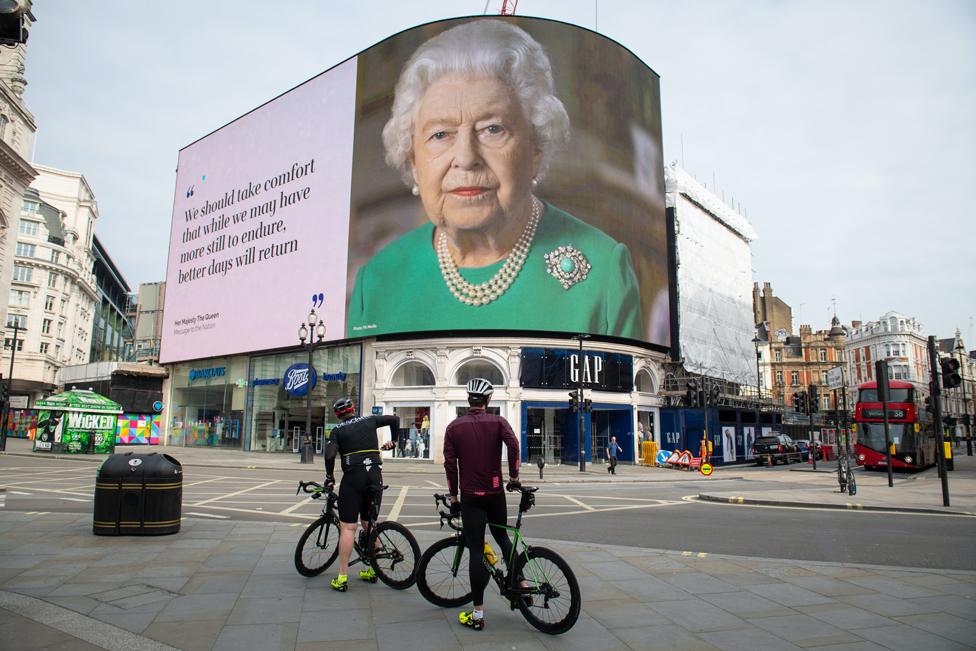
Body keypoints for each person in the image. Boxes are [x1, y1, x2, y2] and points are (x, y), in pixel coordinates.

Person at [347, 19, 643, 341]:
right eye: (440, 134)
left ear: (535, 149)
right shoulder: (375, 283)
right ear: (414, 162)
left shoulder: (603, 272)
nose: (465, 157)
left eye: (492, 129)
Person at [443, 378, 520, 631]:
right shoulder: (498, 422)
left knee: (477, 549)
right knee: (502, 537)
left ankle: (477, 615)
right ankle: (520, 583)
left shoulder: (454, 427)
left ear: (468, 400)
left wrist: (453, 496)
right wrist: (514, 477)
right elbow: (514, 445)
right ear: (488, 400)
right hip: (496, 491)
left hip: (470, 496)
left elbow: (450, 465)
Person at [324, 397, 397, 592]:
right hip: (375, 476)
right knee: (369, 523)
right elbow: (394, 420)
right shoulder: (369, 420)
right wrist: (394, 441)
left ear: (338, 414)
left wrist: (330, 476)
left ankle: (342, 577)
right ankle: (374, 570)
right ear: (353, 409)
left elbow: (330, 455)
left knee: (348, 527)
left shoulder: (338, 430)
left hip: (353, 478)